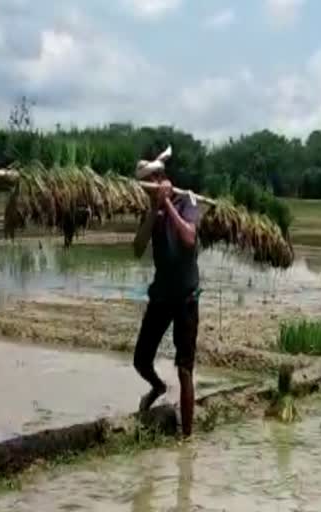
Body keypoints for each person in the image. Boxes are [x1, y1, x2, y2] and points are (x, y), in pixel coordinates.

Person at [132, 145, 200, 438]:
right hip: (161, 295)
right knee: (140, 360)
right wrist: (153, 210)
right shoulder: (151, 211)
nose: (155, 185)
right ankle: (158, 387)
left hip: (186, 297)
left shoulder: (188, 202)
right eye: (151, 181)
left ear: (165, 178)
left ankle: (187, 438)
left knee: (185, 369)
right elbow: (137, 248)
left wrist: (169, 206)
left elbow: (188, 237)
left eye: (158, 178)